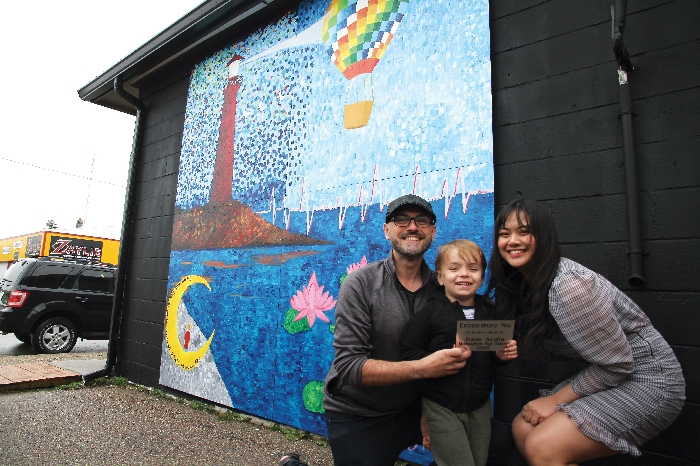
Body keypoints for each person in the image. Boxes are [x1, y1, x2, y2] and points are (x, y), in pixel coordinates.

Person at [486, 198, 685, 465]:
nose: (512, 241)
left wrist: (554, 400)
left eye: (524, 231)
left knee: (542, 445)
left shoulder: (568, 286)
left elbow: (618, 365)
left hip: (648, 380)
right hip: (613, 374)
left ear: (544, 236)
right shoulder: (527, 282)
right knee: (523, 427)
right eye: (504, 234)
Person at [323, 194, 470, 466]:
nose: (412, 227)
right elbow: (349, 367)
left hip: (414, 408)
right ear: (387, 229)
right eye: (401, 219)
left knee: (493, 447)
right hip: (359, 413)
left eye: (422, 220)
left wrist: (502, 346)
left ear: (433, 231)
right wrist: (423, 368)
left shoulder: (444, 291)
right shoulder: (360, 284)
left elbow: (456, 350)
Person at [400, 239, 518, 466]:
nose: (464, 274)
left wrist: (502, 356)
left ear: (482, 277)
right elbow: (408, 351)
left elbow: (493, 357)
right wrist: (434, 361)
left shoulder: (490, 312)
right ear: (440, 277)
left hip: (480, 405)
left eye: (473, 269)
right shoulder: (431, 313)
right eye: (454, 268)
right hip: (441, 405)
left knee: (478, 460)